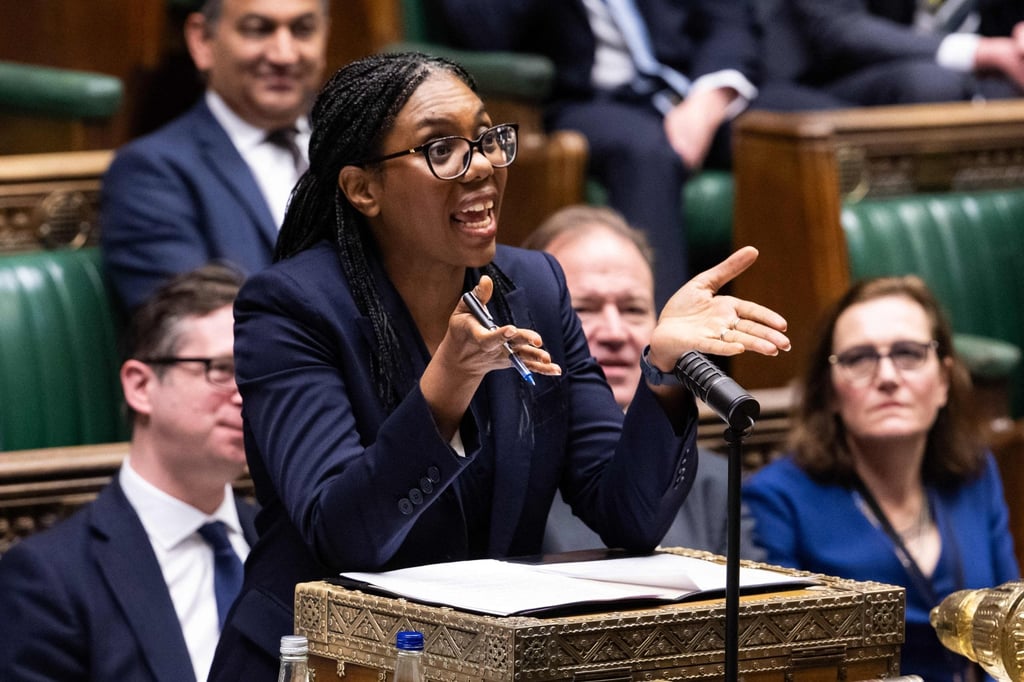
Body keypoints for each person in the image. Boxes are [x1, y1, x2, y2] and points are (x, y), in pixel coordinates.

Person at [206, 51, 791, 680]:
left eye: (487, 139)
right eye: (442, 149)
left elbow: (627, 516)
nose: (483, 165)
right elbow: (342, 535)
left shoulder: (534, 287)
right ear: (363, 188)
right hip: (317, 661)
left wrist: (665, 374)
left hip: (475, 665)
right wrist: (447, 387)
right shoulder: (292, 308)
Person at [434, 0, 842, 308]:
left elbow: (728, 20)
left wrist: (710, 98)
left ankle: (822, 343)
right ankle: (665, 365)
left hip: (693, 87)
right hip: (585, 100)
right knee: (646, 153)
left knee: (818, 126)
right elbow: (482, 30)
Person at [742, 275, 1019, 681]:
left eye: (908, 353)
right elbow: (782, 664)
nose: (887, 376)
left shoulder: (975, 472)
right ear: (831, 392)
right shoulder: (776, 499)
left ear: (943, 381)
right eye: (859, 358)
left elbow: (1010, 623)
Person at [0, 264, 259, 682]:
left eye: (258, 374)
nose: (247, 395)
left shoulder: (286, 545)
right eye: (223, 369)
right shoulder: (48, 578)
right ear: (141, 386)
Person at [522, 205, 762, 558]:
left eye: (633, 309)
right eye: (581, 309)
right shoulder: (511, 477)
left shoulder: (715, 482)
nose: (615, 333)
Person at [100, 0, 330, 313]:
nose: (284, 55)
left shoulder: (364, 146)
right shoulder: (151, 172)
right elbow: (196, 326)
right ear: (203, 40)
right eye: (258, 30)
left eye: (303, 30)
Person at [759, 0, 1024, 106]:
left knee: (1003, 93)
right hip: (814, 84)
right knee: (931, 84)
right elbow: (840, 31)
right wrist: (984, 51)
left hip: (927, 64)